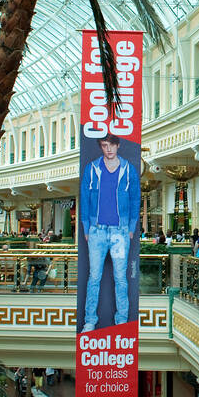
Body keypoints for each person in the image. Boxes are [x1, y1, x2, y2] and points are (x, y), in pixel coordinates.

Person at [79, 131, 140, 332]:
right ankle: (90, 320)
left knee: (121, 279)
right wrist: (87, 228)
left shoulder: (128, 169)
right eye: (104, 145)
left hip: (120, 233)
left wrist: (130, 228)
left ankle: (121, 320)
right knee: (94, 277)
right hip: (96, 232)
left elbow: (134, 199)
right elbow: (85, 199)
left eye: (111, 145)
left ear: (118, 145)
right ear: (100, 146)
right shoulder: (92, 168)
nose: (108, 149)